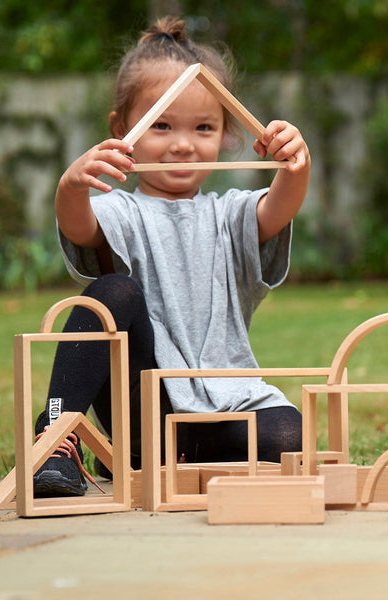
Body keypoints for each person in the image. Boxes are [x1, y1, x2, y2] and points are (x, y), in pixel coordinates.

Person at [32, 16, 311, 497]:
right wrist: (70, 186)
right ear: (124, 130)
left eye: (203, 127)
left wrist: (295, 164)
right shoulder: (120, 210)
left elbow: (278, 207)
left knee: (288, 434)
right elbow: (80, 226)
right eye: (161, 125)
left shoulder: (230, 214)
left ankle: (182, 458)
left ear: (228, 135)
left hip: (220, 400)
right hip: (143, 404)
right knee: (112, 291)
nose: (183, 145)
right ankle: (57, 439)